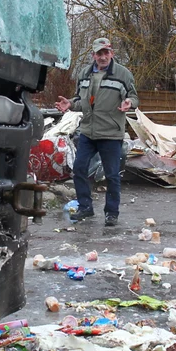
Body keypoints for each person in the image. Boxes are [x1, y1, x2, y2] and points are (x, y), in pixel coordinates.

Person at [55, 37, 138, 226]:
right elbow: (80, 100)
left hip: (110, 133)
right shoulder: (84, 74)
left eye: (106, 52)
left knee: (112, 175)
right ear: (93, 55)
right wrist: (70, 104)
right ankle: (86, 208)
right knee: (79, 169)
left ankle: (112, 213)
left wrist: (129, 103)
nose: (102, 57)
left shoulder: (123, 74)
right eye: (99, 53)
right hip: (88, 132)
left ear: (112, 53)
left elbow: (134, 97)